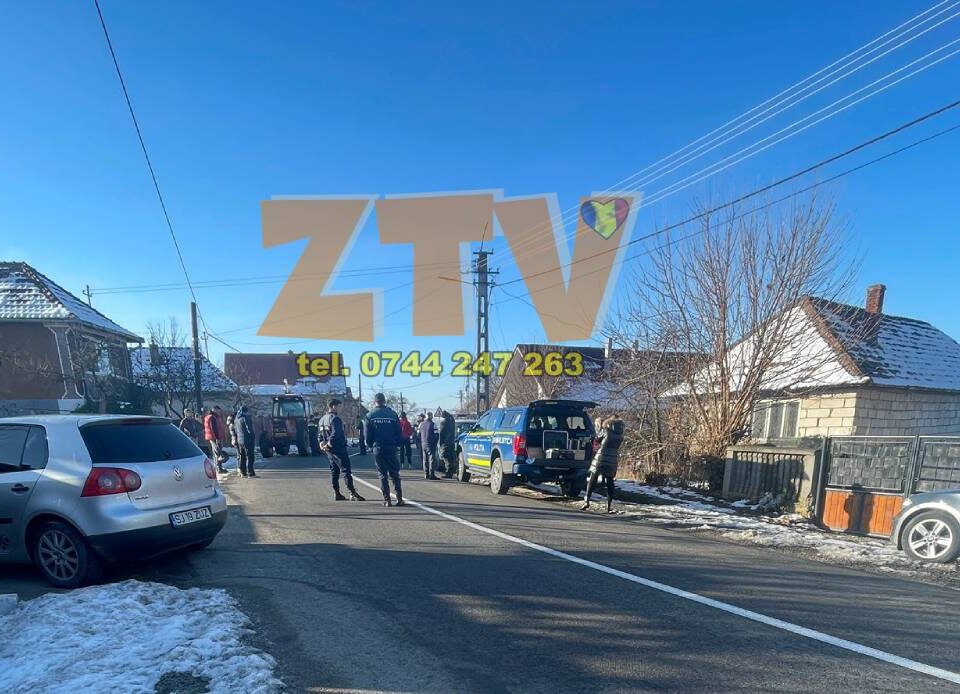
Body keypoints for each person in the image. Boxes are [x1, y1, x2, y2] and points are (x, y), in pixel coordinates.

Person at [318, 399, 365, 501]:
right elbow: (336, 433)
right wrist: (329, 443)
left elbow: (320, 435)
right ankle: (352, 493)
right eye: (339, 406)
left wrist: (322, 443)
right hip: (338, 448)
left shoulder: (322, 419)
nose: (341, 409)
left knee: (334, 471)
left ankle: (337, 493)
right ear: (333, 406)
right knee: (346, 470)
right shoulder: (335, 419)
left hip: (329, 450)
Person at [366, 392, 404, 506]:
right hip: (391, 447)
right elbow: (399, 432)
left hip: (378, 448)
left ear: (375, 402)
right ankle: (399, 498)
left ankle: (387, 500)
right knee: (395, 473)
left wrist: (370, 445)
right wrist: (397, 444)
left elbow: (367, 434)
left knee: (382, 474)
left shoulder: (370, 415)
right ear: (384, 401)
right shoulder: (392, 414)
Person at [581, 417, 625, 513]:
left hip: (601, 457)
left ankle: (587, 501)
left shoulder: (606, 431)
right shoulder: (620, 435)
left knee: (593, 478)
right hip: (613, 459)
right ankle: (609, 505)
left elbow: (597, 440)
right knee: (610, 481)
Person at [203, 407, 226, 474]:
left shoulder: (210, 416)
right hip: (215, 437)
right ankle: (219, 468)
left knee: (216, 453)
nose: (219, 412)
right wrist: (217, 438)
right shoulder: (213, 417)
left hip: (212, 437)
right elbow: (214, 429)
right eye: (218, 410)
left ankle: (218, 467)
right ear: (215, 410)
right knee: (217, 453)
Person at [236, 405, 257, 478]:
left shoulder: (237, 419)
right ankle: (250, 472)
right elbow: (249, 430)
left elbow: (236, 429)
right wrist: (253, 437)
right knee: (250, 456)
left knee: (242, 456)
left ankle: (243, 472)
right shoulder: (246, 418)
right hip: (247, 440)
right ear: (246, 411)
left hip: (240, 440)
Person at [438, 410, 457, 478]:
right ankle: (450, 472)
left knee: (445, 457)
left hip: (445, 443)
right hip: (451, 442)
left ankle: (448, 472)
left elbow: (441, 433)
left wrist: (440, 443)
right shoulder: (452, 421)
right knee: (450, 457)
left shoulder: (444, 422)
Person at [419, 411, 437, 480]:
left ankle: (426, 474)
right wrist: (435, 443)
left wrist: (421, 441)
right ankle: (431, 474)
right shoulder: (433, 424)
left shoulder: (421, 424)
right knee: (432, 459)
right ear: (431, 416)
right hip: (431, 444)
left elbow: (418, 434)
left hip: (423, 444)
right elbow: (436, 434)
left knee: (425, 459)